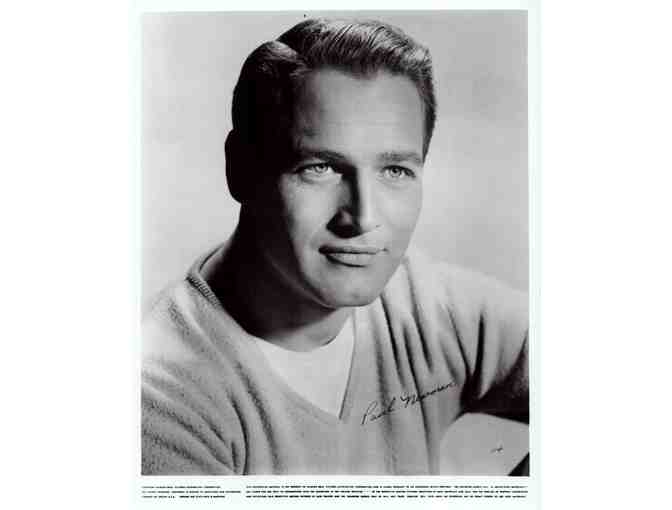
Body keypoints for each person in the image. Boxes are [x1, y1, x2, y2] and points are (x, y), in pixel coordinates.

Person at [141, 17, 528, 476]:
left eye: (395, 171)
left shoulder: (425, 308)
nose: (362, 218)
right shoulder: (159, 396)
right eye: (320, 167)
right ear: (240, 168)